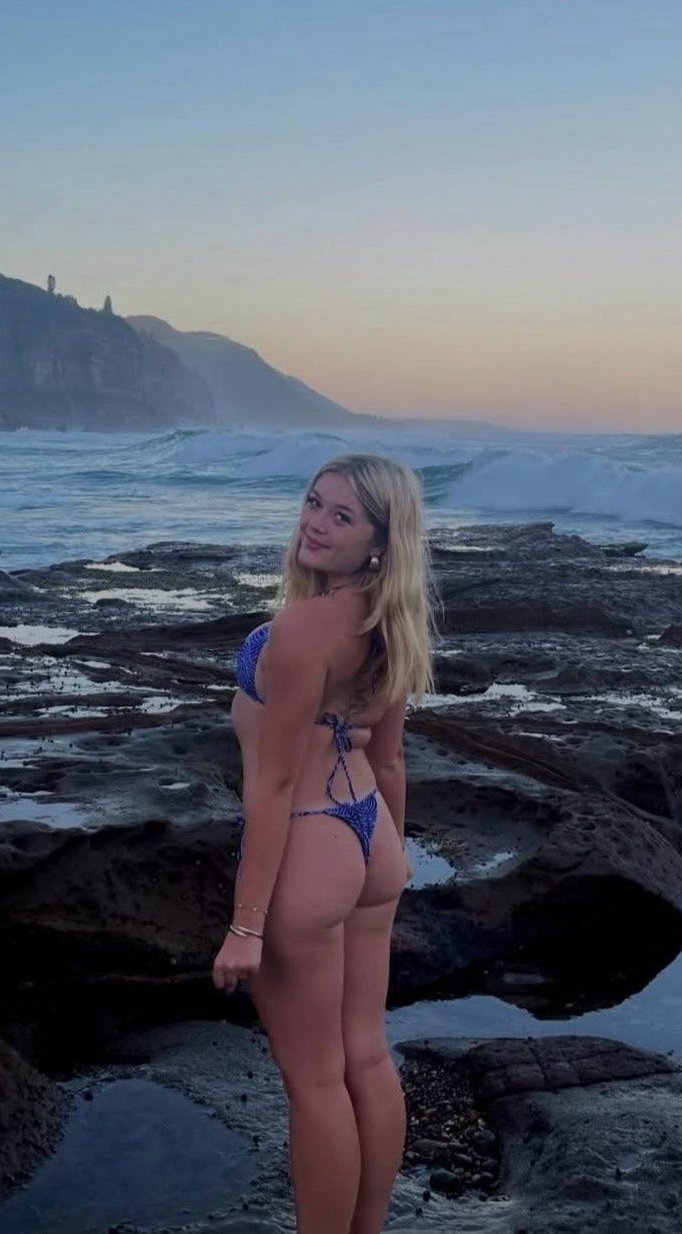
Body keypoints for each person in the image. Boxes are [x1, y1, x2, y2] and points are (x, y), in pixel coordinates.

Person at [212, 453, 434, 1234]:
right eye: (314, 502)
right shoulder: (391, 616)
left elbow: (271, 786)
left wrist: (245, 924)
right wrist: (392, 862)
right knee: (365, 1056)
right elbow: (390, 757)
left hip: (309, 842)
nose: (316, 521)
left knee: (315, 1080)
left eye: (342, 516)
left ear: (378, 538)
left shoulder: (305, 628)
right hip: (368, 835)